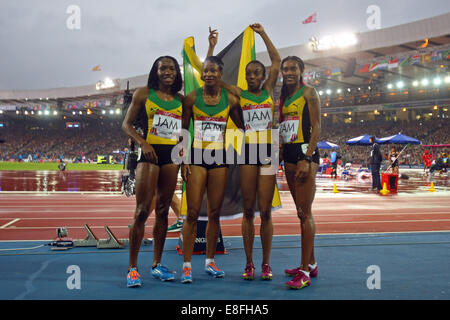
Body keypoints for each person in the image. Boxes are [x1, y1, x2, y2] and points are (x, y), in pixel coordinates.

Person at [207, 23, 281, 281]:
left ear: (263, 76)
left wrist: (263, 34)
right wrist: (212, 48)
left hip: (269, 150)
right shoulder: (239, 93)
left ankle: (267, 264)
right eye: (248, 73)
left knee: (267, 211)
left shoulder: (269, 90)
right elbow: (213, 75)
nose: (251, 76)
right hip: (249, 151)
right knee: (249, 210)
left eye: (256, 73)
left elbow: (276, 59)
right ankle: (249, 263)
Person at [179, 55, 245, 283]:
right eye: (205, 71)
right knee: (193, 213)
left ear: (220, 74)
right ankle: (186, 266)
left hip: (219, 158)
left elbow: (244, 126)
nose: (208, 75)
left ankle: (210, 262)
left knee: (215, 213)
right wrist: (183, 159)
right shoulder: (191, 98)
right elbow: (183, 131)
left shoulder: (231, 100)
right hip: (197, 157)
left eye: (212, 71)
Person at [122, 56, 183, 287]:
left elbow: (183, 133)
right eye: (163, 68)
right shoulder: (143, 94)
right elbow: (126, 124)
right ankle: (132, 268)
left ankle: (157, 264)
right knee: (141, 211)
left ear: (177, 73)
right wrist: (143, 143)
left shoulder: (181, 100)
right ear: (155, 71)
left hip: (171, 158)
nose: (168, 71)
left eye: (172, 68)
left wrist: (183, 159)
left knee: (163, 211)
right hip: (149, 155)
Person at [278, 56, 321, 290]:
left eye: (293, 68)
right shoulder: (285, 98)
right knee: (300, 212)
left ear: (301, 70)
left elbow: (317, 127)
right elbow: (286, 128)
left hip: (305, 156)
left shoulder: (309, 93)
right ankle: (311, 264)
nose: (288, 72)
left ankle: (304, 271)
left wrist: (307, 158)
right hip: (290, 156)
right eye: (285, 69)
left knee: (305, 213)